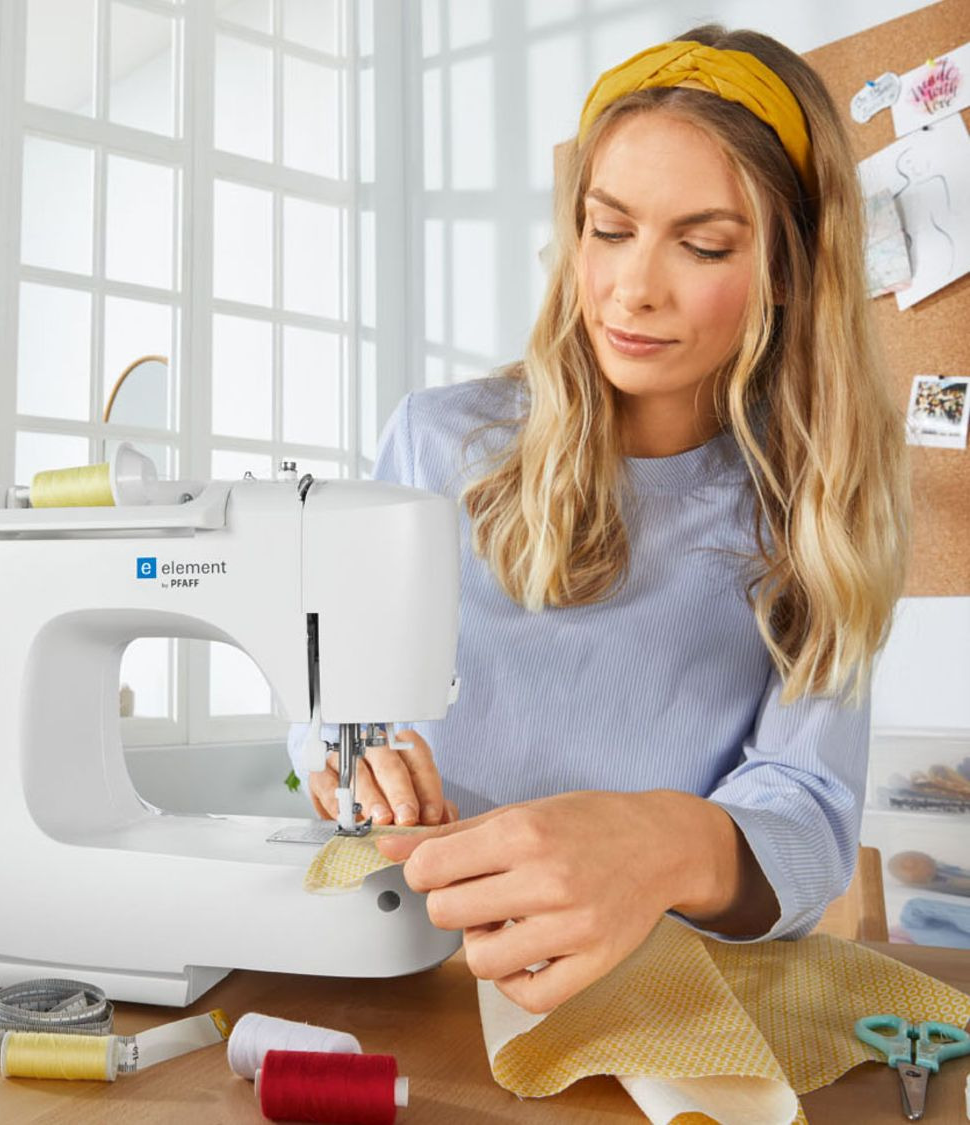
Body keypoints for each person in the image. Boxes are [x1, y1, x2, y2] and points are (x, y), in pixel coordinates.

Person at [289, 26, 910, 1014]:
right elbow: (332, 695)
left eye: (703, 245)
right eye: (609, 229)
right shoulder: (437, 442)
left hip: (650, 998)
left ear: (790, 271)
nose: (632, 288)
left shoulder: (816, 508)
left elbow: (812, 812)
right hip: (414, 978)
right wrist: (342, 758)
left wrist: (666, 844)